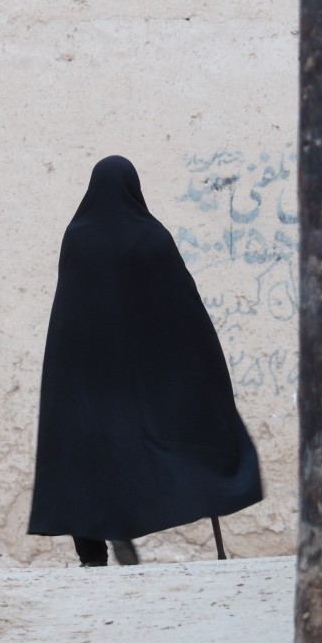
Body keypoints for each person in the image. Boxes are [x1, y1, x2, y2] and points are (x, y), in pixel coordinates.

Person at [28, 155, 262, 566]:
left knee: (86, 453)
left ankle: (92, 551)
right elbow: (184, 309)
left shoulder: (77, 237)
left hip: (83, 374)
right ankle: (148, 514)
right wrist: (202, 363)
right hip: (141, 376)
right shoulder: (151, 237)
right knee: (150, 446)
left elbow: (69, 311)